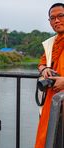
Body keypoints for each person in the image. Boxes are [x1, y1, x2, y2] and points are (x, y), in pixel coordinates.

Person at [35, 3, 64, 148]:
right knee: (50, 139)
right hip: (53, 103)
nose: (56, 21)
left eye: (61, 16)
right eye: (52, 18)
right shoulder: (51, 44)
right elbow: (41, 62)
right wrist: (44, 69)